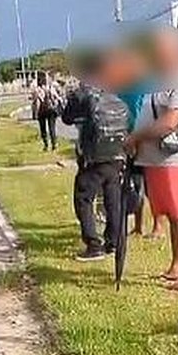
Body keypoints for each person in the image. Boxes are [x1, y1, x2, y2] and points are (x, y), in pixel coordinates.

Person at [123, 28, 178, 291]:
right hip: (153, 161)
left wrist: (137, 137)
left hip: (174, 161)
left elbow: (170, 122)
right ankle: (177, 265)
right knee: (172, 215)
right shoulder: (158, 80)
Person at [62, 57, 130, 262]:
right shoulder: (114, 91)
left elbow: (66, 117)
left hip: (93, 155)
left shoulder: (82, 94)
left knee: (83, 197)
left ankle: (93, 244)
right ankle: (114, 241)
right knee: (113, 199)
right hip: (117, 154)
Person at [31, 73, 61, 151]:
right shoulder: (50, 87)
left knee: (43, 128)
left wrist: (35, 112)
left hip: (42, 111)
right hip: (51, 109)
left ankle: (46, 145)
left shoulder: (37, 90)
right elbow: (57, 97)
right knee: (52, 128)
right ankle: (54, 144)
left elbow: (36, 101)